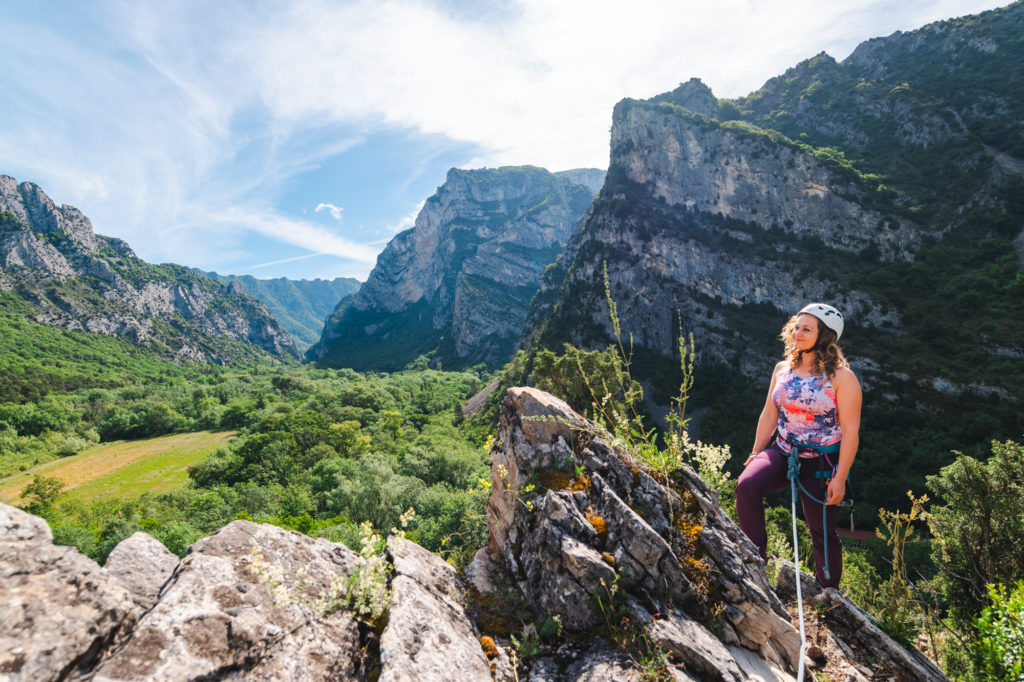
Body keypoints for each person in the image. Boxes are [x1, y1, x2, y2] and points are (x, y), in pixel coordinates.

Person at [735, 303, 862, 588]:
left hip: (821, 462)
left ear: (825, 336)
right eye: (796, 326)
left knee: (821, 532)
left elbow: (851, 432)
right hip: (783, 449)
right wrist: (756, 451)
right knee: (747, 486)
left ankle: (828, 595)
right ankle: (755, 565)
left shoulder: (842, 378)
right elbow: (770, 414)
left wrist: (840, 478)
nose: (797, 332)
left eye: (806, 329)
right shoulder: (782, 369)